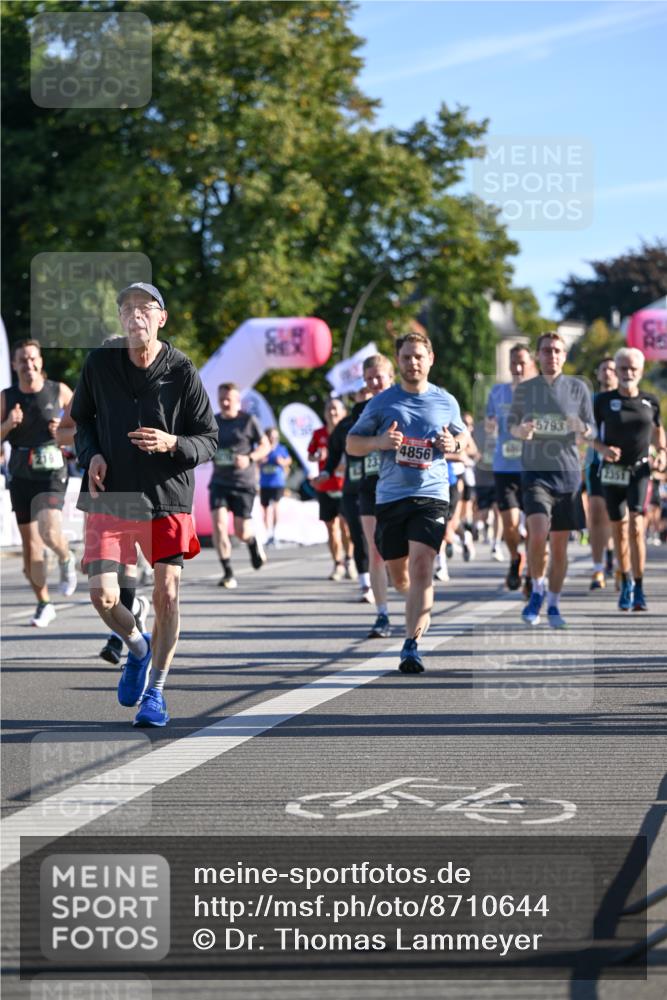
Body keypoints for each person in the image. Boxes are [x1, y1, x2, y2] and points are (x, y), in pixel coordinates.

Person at [71, 282, 218, 727]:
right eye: (127, 308)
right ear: (120, 319)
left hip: (166, 495)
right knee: (101, 594)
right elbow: (82, 421)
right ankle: (137, 646)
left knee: (167, 595)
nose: (135, 315)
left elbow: (209, 439)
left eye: (145, 308)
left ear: (161, 318)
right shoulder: (99, 364)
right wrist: (91, 453)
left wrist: (173, 441)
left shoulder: (182, 371)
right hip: (112, 494)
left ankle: (155, 691)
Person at [347, 331, 467, 673]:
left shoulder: (446, 401)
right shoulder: (382, 403)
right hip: (391, 497)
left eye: (418, 356)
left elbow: (464, 439)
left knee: (422, 566)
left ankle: (411, 645)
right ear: (398, 362)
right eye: (406, 357)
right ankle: (408, 601)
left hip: (431, 495)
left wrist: (453, 445)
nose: (412, 362)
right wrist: (380, 441)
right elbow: (353, 444)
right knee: (400, 574)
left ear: (430, 360)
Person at [509, 331, 594, 629]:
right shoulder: (525, 389)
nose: (552, 356)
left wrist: (581, 427)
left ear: (564, 355)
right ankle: (537, 588)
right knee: (536, 532)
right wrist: (524, 431)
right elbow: (512, 427)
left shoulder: (578, 388)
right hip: (535, 472)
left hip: (568, 474)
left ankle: (554, 604)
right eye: (546, 351)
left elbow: (592, 431)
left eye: (557, 351)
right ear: (538, 355)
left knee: (559, 548)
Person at [1, 339, 77, 626]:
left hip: (52, 472)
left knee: (48, 529)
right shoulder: (6, 397)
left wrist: (64, 430)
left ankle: (65, 556)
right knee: (31, 549)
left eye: (32, 359)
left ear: (40, 362)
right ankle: (44, 602)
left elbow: (83, 424)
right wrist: (8, 424)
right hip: (21, 475)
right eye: (22, 360)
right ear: (14, 364)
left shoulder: (58, 391)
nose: (28, 364)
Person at [592, 347, 666, 611]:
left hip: (640, 470)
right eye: (623, 368)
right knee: (619, 530)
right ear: (617, 370)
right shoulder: (602, 401)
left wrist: (663, 454)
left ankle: (639, 585)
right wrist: (603, 450)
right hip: (612, 472)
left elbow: (658, 432)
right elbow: (590, 435)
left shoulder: (650, 400)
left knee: (636, 526)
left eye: (633, 369)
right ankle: (624, 582)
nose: (628, 373)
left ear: (641, 371)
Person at [486, 343, 537, 591]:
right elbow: (489, 421)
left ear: (530, 365)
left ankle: (530, 574)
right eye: (513, 363)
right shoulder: (496, 393)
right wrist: (489, 425)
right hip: (504, 466)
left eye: (522, 363)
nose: (517, 367)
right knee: (510, 525)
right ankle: (516, 557)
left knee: (534, 527)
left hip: (533, 467)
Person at [209, 383, 270, 589]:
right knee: (218, 524)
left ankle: (252, 543)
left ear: (237, 400)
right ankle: (227, 572)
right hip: (219, 481)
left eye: (229, 399)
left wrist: (249, 457)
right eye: (221, 399)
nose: (225, 403)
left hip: (243, 482)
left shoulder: (248, 421)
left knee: (241, 532)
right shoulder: (213, 422)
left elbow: (265, 445)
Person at [308, 397, 355, 581]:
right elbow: (311, 455)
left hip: (345, 487)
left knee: (346, 528)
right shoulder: (319, 433)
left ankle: (350, 560)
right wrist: (317, 456)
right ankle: (338, 564)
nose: (332, 412)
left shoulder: (349, 431)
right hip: (325, 485)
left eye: (335, 409)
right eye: (329, 408)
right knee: (331, 528)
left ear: (343, 412)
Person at [584, 357, 618, 590]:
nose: (608, 373)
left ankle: (617, 561)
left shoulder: (628, 399)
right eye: (603, 368)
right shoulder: (591, 402)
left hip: (623, 466)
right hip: (597, 464)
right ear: (597, 374)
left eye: (612, 369)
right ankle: (598, 569)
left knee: (617, 517)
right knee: (596, 516)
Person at [259, 427, 292, 546]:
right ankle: (268, 534)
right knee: (265, 509)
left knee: (276, 507)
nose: (274, 438)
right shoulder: (262, 448)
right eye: (271, 436)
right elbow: (254, 461)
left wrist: (282, 462)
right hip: (264, 483)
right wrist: (260, 461)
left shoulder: (281, 448)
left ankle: (275, 533)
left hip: (277, 483)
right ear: (267, 437)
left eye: (275, 436)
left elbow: (289, 460)